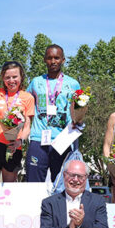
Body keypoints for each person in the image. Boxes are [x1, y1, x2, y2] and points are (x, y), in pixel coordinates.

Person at [26, 45, 80, 183]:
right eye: (49, 58)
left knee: (62, 185)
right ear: (45, 60)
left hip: (63, 139)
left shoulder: (73, 84)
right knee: (33, 184)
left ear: (63, 60)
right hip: (38, 138)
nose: (53, 61)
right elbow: (25, 105)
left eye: (57, 58)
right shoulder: (36, 82)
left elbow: (78, 111)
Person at [0, 61, 35, 183]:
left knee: (9, 188)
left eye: (15, 77)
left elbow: (27, 127)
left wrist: (19, 142)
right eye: (7, 77)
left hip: (13, 146)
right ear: (3, 78)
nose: (11, 81)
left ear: (21, 77)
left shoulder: (28, 97)